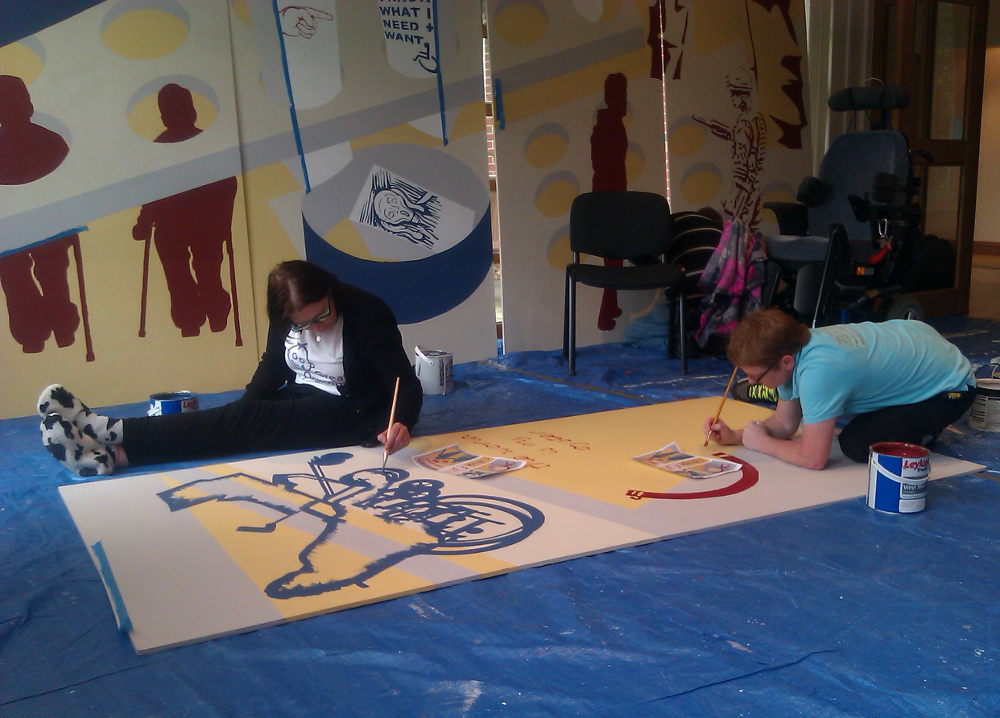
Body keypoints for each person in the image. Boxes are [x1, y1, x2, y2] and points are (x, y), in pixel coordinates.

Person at [38, 260, 422, 476]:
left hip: (350, 410)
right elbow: (275, 363)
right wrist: (245, 409)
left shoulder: (367, 314)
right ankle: (115, 455)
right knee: (234, 424)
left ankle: (112, 432)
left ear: (330, 293)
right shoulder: (288, 315)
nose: (314, 328)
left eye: (322, 316)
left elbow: (406, 385)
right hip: (304, 393)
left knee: (238, 427)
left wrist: (401, 421)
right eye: (302, 325)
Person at [703, 309, 976, 469]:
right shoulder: (794, 348)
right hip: (920, 346)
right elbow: (786, 424)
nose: (750, 383)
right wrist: (736, 436)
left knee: (855, 444)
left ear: (784, 362)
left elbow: (813, 458)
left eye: (754, 376)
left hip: (950, 390)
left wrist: (761, 443)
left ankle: (926, 429)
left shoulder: (820, 371)